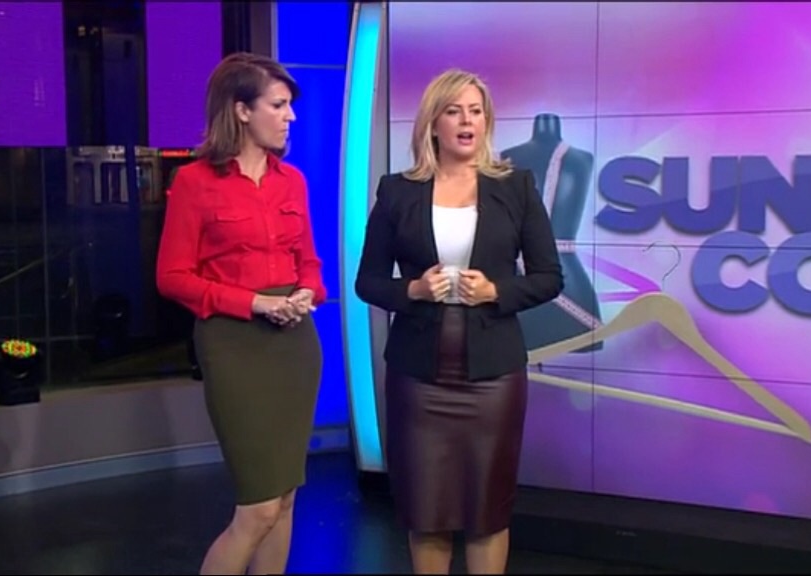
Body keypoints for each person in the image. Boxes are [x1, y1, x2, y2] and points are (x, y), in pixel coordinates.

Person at [354, 69, 564, 574]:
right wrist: (413, 290)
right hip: (418, 376)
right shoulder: (397, 192)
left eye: (475, 111)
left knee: (487, 514)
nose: (467, 121)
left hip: (493, 375)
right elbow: (368, 282)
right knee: (427, 514)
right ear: (433, 123)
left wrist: (496, 291)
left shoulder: (516, 187)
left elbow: (549, 277)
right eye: (454, 111)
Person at [156, 52, 325, 576]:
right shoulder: (194, 182)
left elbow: (310, 262)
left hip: (294, 344)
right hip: (234, 344)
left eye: (290, 105)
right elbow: (172, 276)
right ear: (242, 110)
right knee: (259, 507)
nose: (290, 116)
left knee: (286, 497)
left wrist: (306, 292)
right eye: (278, 105)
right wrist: (254, 302)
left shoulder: (291, 181)